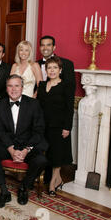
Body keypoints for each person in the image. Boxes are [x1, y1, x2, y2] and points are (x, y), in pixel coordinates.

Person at [0, 75, 48, 208]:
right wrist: (11, 149)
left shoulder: (34, 104)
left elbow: (39, 130)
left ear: (22, 88)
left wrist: (25, 150)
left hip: (28, 145)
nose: (13, 89)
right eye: (10, 86)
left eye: (17, 86)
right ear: (6, 88)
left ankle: (24, 187)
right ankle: (3, 191)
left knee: (41, 160)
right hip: (9, 144)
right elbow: (0, 131)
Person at [37, 35, 75, 184]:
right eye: (42, 45)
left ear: (54, 47)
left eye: (49, 45)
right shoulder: (36, 67)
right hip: (43, 122)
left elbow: (69, 103)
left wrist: (67, 126)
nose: (45, 48)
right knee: (45, 150)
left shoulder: (67, 66)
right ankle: (47, 179)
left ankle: (53, 181)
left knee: (56, 151)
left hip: (58, 122)